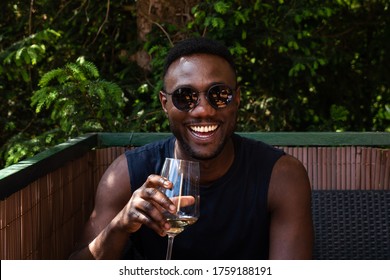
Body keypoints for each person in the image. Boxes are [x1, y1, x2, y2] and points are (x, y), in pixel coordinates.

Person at [69, 37, 314, 260]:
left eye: (219, 95)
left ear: (237, 99)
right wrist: (121, 225)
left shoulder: (280, 177)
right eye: (185, 96)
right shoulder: (127, 175)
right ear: (165, 104)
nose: (203, 110)